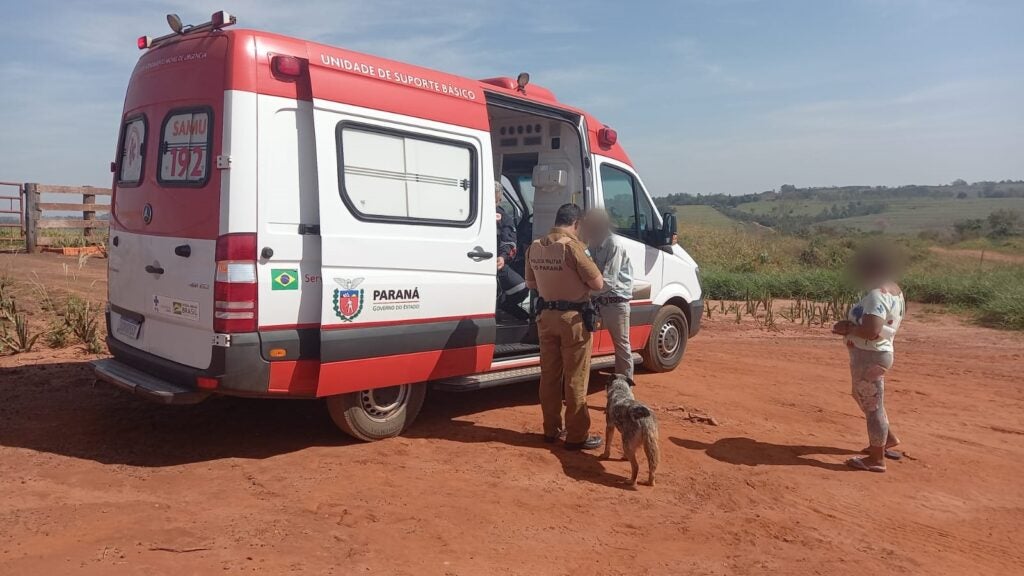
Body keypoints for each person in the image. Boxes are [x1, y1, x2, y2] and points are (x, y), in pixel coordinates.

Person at [526, 203, 605, 450]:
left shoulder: (535, 246)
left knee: (549, 376)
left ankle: (551, 429)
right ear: (576, 223)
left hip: (545, 317)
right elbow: (598, 283)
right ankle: (576, 435)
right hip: (573, 320)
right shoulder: (572, 247)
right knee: (575, 378)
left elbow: (530, 283)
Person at [831, 244, 906, 473]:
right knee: (864, 397)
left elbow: (872, 330)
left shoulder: (876, 295)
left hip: (870, 355)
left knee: (872, 405)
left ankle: (876, 459)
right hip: (879, 353)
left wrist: (846, 328)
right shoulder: (894, 290)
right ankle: (886, 439)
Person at [584, 209, 635, 379]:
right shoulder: (593, 243)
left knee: (621, 345)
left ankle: (625, 386)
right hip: (599, 300)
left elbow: (609, 281)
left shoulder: (614, 244)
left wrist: (583, 292)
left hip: (615, 301)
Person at [495, 181, 529, 321]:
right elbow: (509, 242)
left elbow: (508, 242)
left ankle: (500, 306)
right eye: (497, 199)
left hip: (494, 261)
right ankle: (500, 305)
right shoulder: (502, 217)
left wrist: (502, 257)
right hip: (493, 263)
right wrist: (503, 257)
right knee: (521, 288)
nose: (499, 201)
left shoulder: (500, 217)